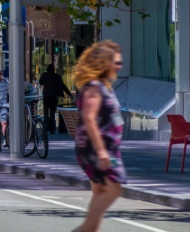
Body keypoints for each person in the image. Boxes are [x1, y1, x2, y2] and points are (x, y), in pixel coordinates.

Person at [73, 41, 126, 232]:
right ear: (104, 63)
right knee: (113, 190)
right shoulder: (94, 87)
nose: (119, 67)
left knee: (100, 191)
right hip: (96, 148)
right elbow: (89, 118)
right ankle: (84, 230)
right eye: (116, 62)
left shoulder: (103, 86)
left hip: (105, 147)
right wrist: (101, 151)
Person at [38, 62, 72, 133]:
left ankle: (46, 127)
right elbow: (62, 86)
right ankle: (52, 128)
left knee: (46, 112)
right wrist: (69, 94)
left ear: (47, 69)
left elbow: (40, 82)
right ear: (54, 70)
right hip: (54, 96)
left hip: (46, 96)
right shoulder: (57, 76)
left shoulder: (44, 75)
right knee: (52, 112)